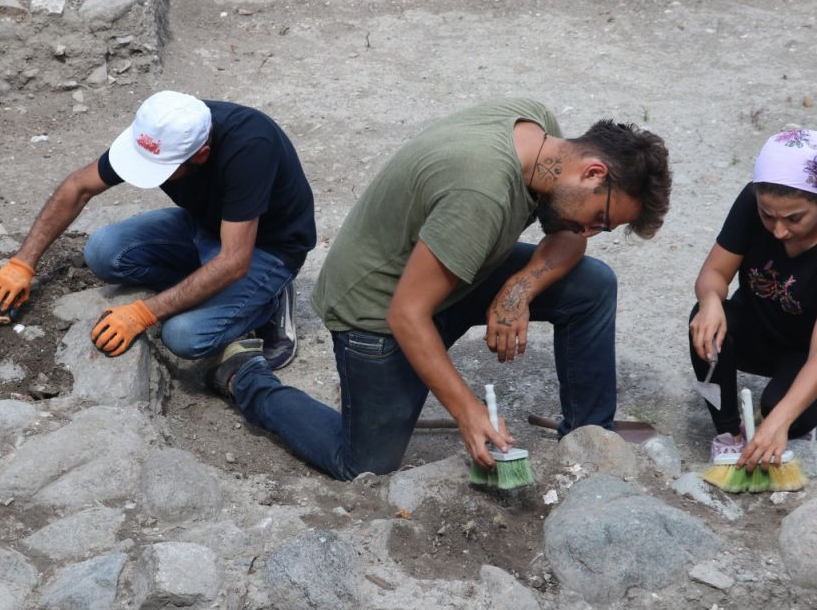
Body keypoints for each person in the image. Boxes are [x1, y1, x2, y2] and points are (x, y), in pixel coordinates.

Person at [209, 98, 672, 481]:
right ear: (592, 173)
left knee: (592, 284)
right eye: (601, 219)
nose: (591, 232)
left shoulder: (538, 130)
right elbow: (406, 314)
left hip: (448, 272)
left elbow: (568, 242)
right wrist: (468, 413)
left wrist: (518, 289)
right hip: (375, 310)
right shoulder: (483, 193)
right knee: (364, 464)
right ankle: (246, 375)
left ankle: (590, 442)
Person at [0, 90, 315, 368]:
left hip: (265, 248)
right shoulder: (165, 127)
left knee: (182, 335)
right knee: (102, 251)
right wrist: (24, 262)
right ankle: (208, 284)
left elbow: (233, 260)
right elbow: (79, 186)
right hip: (205, 225)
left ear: (201, 155)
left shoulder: (250, 148)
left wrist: (145, 312)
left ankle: (269, 300)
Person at [688, 128, 817, 470]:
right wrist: (711, 301)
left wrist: (779, 421)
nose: (779, 230)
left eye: (794, 218)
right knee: (702, 318)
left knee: (781, 412)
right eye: (768, 215)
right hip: (760, 333)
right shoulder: (753, 202)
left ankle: (782, 421)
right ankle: (729, 437)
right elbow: (714, 274)